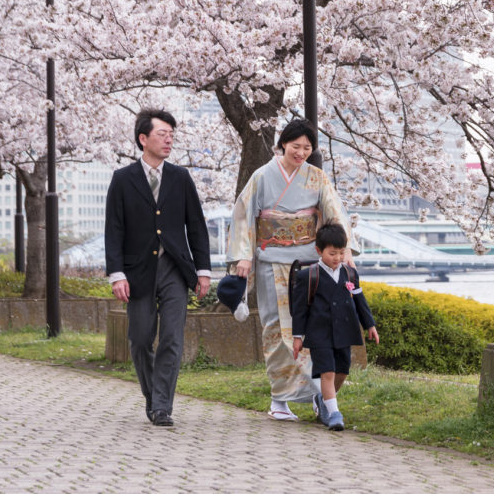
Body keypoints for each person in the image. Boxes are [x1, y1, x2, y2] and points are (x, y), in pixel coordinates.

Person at [228, 118, 359, 422]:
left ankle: (320, 395)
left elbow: (334, 211)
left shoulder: (316, 178)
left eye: (307, 148)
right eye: (296, 146)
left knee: (313, 328)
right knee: (276, 328)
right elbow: (244, 216)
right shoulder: (262, 177)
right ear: (283, 144)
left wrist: (345, 249)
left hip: (309, 265)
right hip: (271, 261)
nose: (301, 152)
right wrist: (244, 256)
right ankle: (280, 399)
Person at [105, 109, 211, 427]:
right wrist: (116, 274)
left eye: (171, 135)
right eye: (162, 134)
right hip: (137, 271)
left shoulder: (180, 178)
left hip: (175, 269)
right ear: (143, 138)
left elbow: (196, 226)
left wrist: (203, 270)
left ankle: (162, 405)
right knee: (139, 339)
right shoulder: (123, 180)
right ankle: (153, 396)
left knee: (172, 338)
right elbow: (114, 230)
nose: (168, 140)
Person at [291, 224, 379, 431]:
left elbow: (360, 301)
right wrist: (297, 337)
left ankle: (324, 400)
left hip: (344, 331)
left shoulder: (350, 274)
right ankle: (335, 413)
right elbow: (300, 309)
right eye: (332, 253)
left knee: (342, 372)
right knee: (328, 373)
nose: (337, 258)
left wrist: (370, 325)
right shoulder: (308, 276)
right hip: (319, 332)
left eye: (341, 253)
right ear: (319, 251)